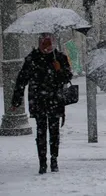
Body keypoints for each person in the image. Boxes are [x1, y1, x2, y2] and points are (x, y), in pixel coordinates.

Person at [11, 33, 73, 174]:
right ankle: (42, 162)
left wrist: (59, 70)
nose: (46, 48)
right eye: (44, 44)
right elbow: (22, 80)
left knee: (54, 132)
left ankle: (54, 159)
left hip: (55, 100)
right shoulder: (32, 59)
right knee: (41, 132)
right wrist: (16, 100)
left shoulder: (60, 58)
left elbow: (67, 78)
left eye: (48, 44)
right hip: (38, 101)